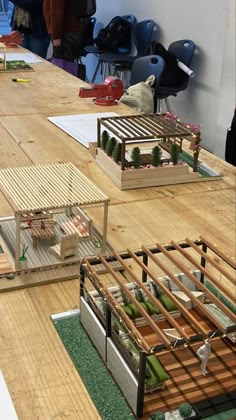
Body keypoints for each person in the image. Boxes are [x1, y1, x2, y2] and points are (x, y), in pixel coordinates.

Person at [43, 0, 88, 80]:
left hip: (65, 32)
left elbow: (56, 11)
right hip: (71, 30)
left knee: (63, 69)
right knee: (67, 67)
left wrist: (56, 37)